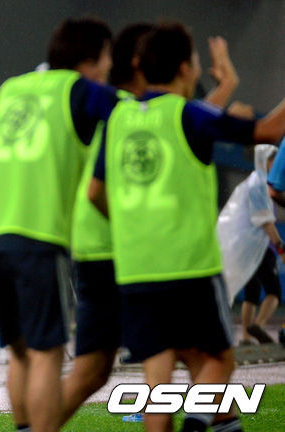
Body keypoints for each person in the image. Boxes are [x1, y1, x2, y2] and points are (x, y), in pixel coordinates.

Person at [89, 22, 285, 432]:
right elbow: (268, 130)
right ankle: (196, 423)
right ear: (185, 68)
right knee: (220, 361)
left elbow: (95, 193)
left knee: (158, 379)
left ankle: (210, 421)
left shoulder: (121, 118)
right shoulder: (189, 114)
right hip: (188, 265)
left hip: (137, 268)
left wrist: (130, 227)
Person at [61, 23, 242, 426]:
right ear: (140, 63)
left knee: (175, 363)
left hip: (107, 247)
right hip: (121, 247)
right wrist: (226, 92)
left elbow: (187, 124)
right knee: (199, 359)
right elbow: (186, 126)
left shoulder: (120, 110)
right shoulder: (127, 109)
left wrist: (225, 89)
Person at [0, 16, 119, 432]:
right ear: (89, 60)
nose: (109, 67)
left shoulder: (10, 88)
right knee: (47, 351)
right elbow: (139, 114)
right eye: (107, 57)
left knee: (21, 351)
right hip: (39, 236)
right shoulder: (82, 90)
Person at [218, 144, 282, 345]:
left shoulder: (253, 182)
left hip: (247, 247)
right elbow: (265, 220)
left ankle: (246, 336)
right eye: (276, 162)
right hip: (259, 246)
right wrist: (280, 246)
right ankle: (258, 325)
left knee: (251, 291)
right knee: (274, 291)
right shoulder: (259, 184)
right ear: (267, 161)